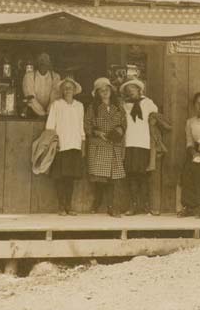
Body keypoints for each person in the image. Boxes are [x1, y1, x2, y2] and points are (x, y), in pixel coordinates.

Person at [84, 77, 126, 217]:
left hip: (114, 145)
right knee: (100, 178)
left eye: (106, 89)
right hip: (99, 145)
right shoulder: (93, 108)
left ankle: (113, 207)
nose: (105, 92)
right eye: (101, 91)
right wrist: (96, 132)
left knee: (115, 179)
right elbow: (87, 125)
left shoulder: (118, 106)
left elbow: (124, 123)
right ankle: (97, 202)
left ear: (111, 91)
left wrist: (120, 130)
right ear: (97, 93)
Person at [46, 77, 85, 216]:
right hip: (61, 145)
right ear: (62, 90)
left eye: (70, 88)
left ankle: (69, 206)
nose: (68, 90)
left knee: (70, 178)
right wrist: (54, 142)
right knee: (60, 177)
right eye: (65, 88)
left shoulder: (79, 106)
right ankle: (61, 206)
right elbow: (50, 126)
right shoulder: (56, 105)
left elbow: (81, 126)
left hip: (74, 145)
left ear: (75, 90)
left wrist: (82, 143)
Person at [120, 78, 158, 215]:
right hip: (129, 142)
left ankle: (146, 205)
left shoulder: (148, 103)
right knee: (131, 175)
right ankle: (133, 205)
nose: (131, 92)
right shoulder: (124, 105)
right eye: (128, 90)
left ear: (139, 90)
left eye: (133, 89)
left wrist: (153, 119)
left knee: (144, 174)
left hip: (143, 142)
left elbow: (155, 115)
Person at [22, 53, 61, 117]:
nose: (43, 63)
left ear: (49, 63)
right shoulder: (29, 76)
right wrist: (42, 113)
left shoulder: (55, 77)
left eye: (46, 61)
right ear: (37, 63)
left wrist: (49, 112)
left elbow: (55, 97)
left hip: (51, 112)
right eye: (41, 61)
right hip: (33, 112)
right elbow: (30, 97)